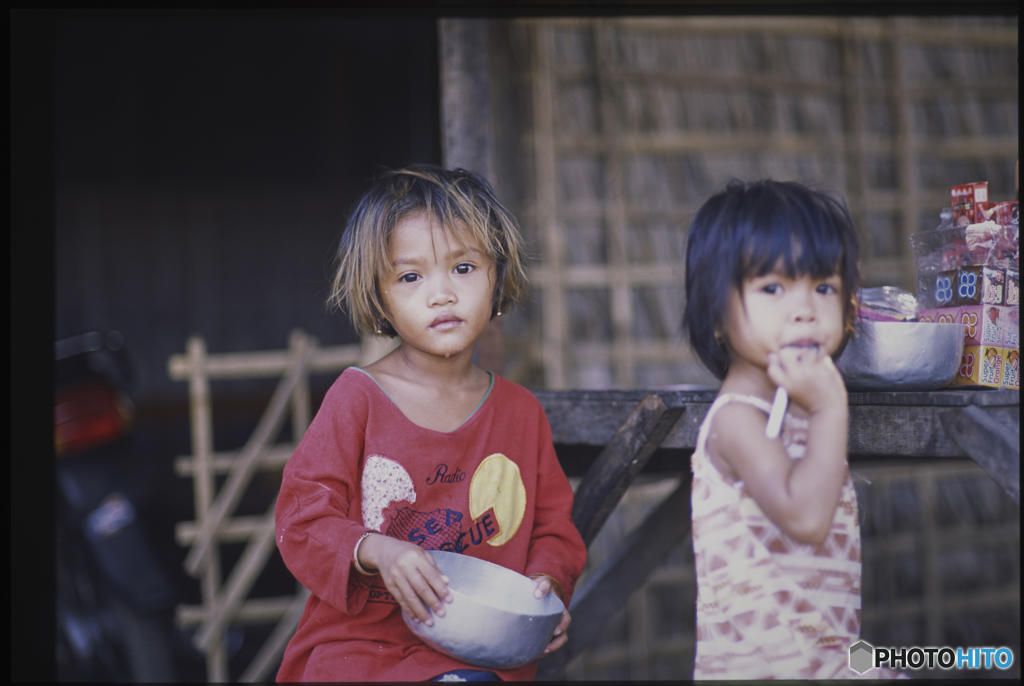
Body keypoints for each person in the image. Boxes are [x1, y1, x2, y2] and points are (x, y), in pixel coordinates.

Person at [274, 165, 587, 682]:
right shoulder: (357, 400)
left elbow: (553, 529)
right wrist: (375, 549)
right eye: (411, 276)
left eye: (463, 268)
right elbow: (301, 518)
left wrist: (543, 587)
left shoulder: (520, 413)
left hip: (476, 648)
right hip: (362, 647)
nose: (441, 294)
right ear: (380, 299)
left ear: (497, 275)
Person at [682, 179, 899, 679]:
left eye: (824, 287)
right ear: (716, 312)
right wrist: (829, 409)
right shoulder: (737, 419)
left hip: (820, 660)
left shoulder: (797, 411)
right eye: (773, 288)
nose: (804, 309)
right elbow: (804, 517)